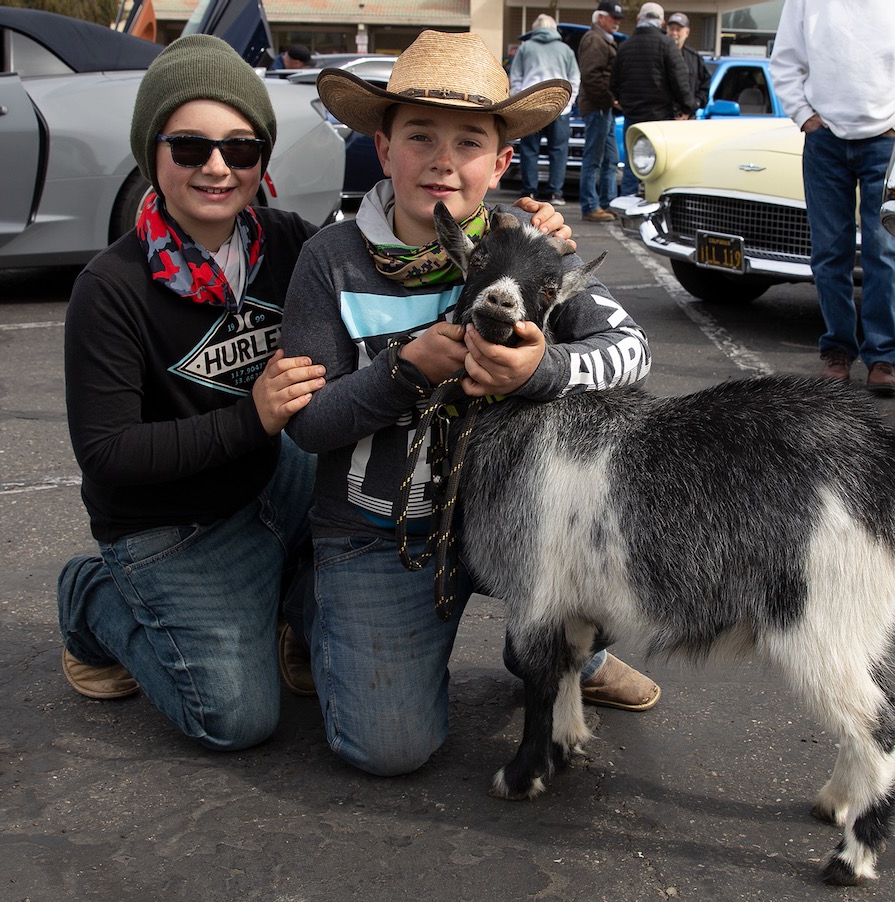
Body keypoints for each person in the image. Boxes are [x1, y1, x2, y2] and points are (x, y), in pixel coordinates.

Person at [55, 34, 571, 752]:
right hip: (177, 525)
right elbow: (107, 454)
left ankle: (561, 652)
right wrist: (252, 418)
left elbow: (418, 226)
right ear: (152, 154)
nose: (215, 167)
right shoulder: (110, 290)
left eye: (239, 150)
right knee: (234, 719)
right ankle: (96, 599)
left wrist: (529, 232)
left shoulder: (290, 244)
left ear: (262, 160)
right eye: (189, 147)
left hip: (280, 486)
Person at [279, 30, 661, 778]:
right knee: (388, 749)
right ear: (383, 149)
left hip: (508, 518)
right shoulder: (331, 258)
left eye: (469, 141)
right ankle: (309, 605)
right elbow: (310, 424)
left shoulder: (530, 242)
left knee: (616, 538)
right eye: (419, 135)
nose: (443, 160)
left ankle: (574, 654)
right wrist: (403, 369)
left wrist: (539, 371)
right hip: (381, 532)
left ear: (501, 161)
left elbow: (635, 352)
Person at [769, 0, 895, 396]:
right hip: (824, 139)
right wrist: (804, 115)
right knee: (830, 252)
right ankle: (838, 352)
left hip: (886, 139)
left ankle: (882, 356)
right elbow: (786, 60)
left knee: (885, 251)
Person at [610, 2, 693, 197]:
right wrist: (687, 107)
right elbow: (680, 80)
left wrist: (624, 102)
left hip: (632, 115)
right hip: (660, 118)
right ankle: (655, 205)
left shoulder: (625, 46)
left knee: (632, 164)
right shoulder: (667, 45)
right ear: (662, 22)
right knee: (659, 166)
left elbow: (614, 82)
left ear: (640, 19)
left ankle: (628, 204)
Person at [509, 13, 580, 206]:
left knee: (529, 150)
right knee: (558, 150)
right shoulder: (565, 50)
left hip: (531, 105)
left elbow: (515, 77)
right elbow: (574, 78)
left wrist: (520, 99)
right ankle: (555, 192)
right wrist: (568, 101)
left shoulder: (526, 48)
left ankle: (529, 190)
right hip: (559, 106)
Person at [577, 0, 624, 222]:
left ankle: (606, 203)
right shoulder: (595, 39)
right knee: (594, 158)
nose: (616, 22)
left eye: (618, 19)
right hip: (599, 107)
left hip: (603, 107)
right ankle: (590, 206)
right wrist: (609, 100)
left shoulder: (601, 39)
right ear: (600, 17)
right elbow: (591, 76)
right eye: (613, 18)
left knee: (611, 159)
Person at [666, 13, 711, 115]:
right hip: (664, 117)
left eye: (678, 30)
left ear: (687, 32)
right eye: (671, 29)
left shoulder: (694, 58)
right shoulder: (659, 54)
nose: (674, 33)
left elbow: (705, 84)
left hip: (688, 118)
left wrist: (695, 104)